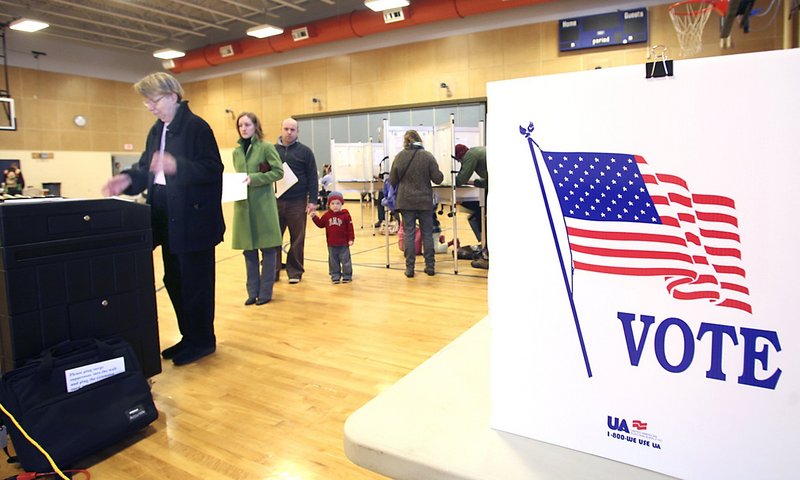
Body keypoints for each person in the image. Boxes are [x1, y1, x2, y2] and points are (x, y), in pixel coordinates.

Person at [102, 72, 224, 366]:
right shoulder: (157, 130)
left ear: (172, 96)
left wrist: (175, 165)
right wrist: (126, 180)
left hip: (192, 220)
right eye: (146, 102)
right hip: (164, 216)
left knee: (195, 284)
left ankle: (203, 341)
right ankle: (188, 336)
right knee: (174, 280)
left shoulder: (197, 127)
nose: (150, 107)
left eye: (153, 100)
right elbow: (146, 168)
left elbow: (212, 169)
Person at [232, 112, 284, 306]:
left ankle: (265, 292)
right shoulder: (236, 152)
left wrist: (255, 179)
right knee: (249, 251)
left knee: (269, 251)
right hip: (243, 207)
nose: (243, 128)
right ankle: (252, 292)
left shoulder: (266, 147)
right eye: (240, 125)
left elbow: (278, 172)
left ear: (255, 126)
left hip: (263, 206)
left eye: (247, 125)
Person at [389, 130, 444, 278]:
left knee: (409, 234)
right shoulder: (427, 156)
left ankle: (410, 269)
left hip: (406, 202)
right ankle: (430, 267)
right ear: (420, 140)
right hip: (424, 201)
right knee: (427, 234)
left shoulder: (399, 157)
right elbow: (438, 179)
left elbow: (392, 180)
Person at [274, 118, 318, 284]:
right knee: (273, 238)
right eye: (286, 129)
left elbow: (313, 177)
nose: (289, 132)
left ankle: (295, 272)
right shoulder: (271, 151)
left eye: (292, 129)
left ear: (297, 131)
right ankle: (273, 271)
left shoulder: (305, 152)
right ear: (281, 129)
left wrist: (312, 200)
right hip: (275, 202)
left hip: (297, 202)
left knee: (297, 239)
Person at [454, 144, 489, 270]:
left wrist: (451, 179)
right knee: (476, 216)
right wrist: (475, 182)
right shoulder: (476, 151)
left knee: (486, 219)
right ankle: (485, 246)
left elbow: (461, 179)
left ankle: (487, 256)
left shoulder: (470, 156)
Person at [310, 191, 355, 283]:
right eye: (333, 203)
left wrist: (351, 239)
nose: (335, 206)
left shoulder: (346, 216)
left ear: (341, 204)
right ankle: (335, 275)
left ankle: (347, 275)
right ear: (329, 204)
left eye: (338, 203)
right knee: (333, 261)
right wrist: (314, 217)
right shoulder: (327, 216)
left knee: (345, 260)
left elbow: (350, 228)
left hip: (344, 243)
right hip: (331, 243)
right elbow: (321, 224)